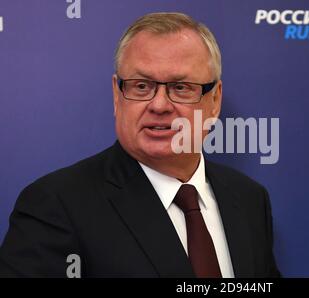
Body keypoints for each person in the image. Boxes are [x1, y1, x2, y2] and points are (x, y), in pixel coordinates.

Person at [0, 12, 280, 278]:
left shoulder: (249, 200)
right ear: (116, 94)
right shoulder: (55, 205)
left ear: (215, 100)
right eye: (141, 86)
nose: (159, 105)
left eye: (181, 88)